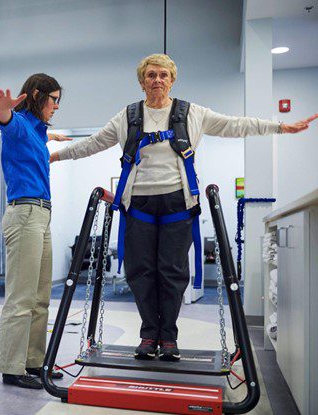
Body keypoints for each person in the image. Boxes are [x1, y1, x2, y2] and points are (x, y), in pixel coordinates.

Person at [51, 53, 317, 362]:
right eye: (151, 75)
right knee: (140, 272)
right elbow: (93, 143)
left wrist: (280, 127)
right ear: (142, 81)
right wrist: (56, 157)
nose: (158, 80)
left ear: (172, 80)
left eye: (164, 75)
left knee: (173, 271)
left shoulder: (192, 113)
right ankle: (149, 334)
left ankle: (169, 337)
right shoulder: (127, 116)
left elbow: (236, 125)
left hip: (178, 200)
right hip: (137, 203)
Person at [0, 73, 71, 390]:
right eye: (54, 100)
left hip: (42, 215)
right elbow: (5, 121)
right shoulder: (20, 123)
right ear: (37, 95)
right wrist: (4, 110)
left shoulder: (38, 132)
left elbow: (39, 137)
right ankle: (12, 367)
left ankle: (34, 361)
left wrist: (54, 138)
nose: (57, 107)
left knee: (40, 298)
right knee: (21, 297)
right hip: (24, 213)